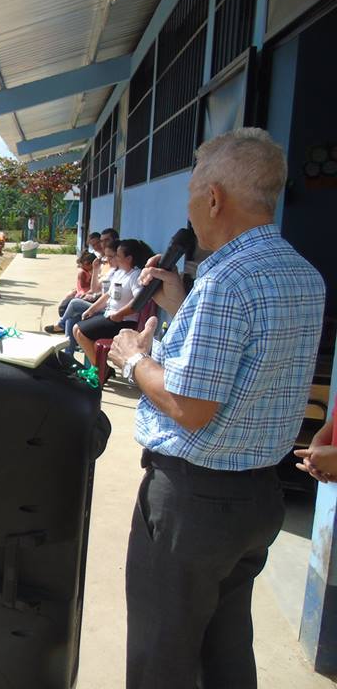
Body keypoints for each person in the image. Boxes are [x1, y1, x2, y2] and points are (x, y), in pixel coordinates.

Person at [107, 128, 325, 689]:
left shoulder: (226, 278)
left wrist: (133, 358)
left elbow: (190, 404)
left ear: (214, 198)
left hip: (193, 504)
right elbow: (241, 363)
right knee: (224, 648)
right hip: (256, 497)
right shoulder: (304, 275)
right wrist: (181, 306)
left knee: (164, 654)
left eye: (191, 198)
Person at [74, 239, 150, 367]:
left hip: (123, 321)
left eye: (118, 256)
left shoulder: (135, 275)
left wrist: (120, 314)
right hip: (110, 316)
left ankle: (100, 368)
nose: (116, 258)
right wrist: (91, 309)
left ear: (129, 258)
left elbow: (139, 301)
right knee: (76, 329)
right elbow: (107, 295)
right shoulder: (120, 273)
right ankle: (100, 367)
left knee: (80, 331)